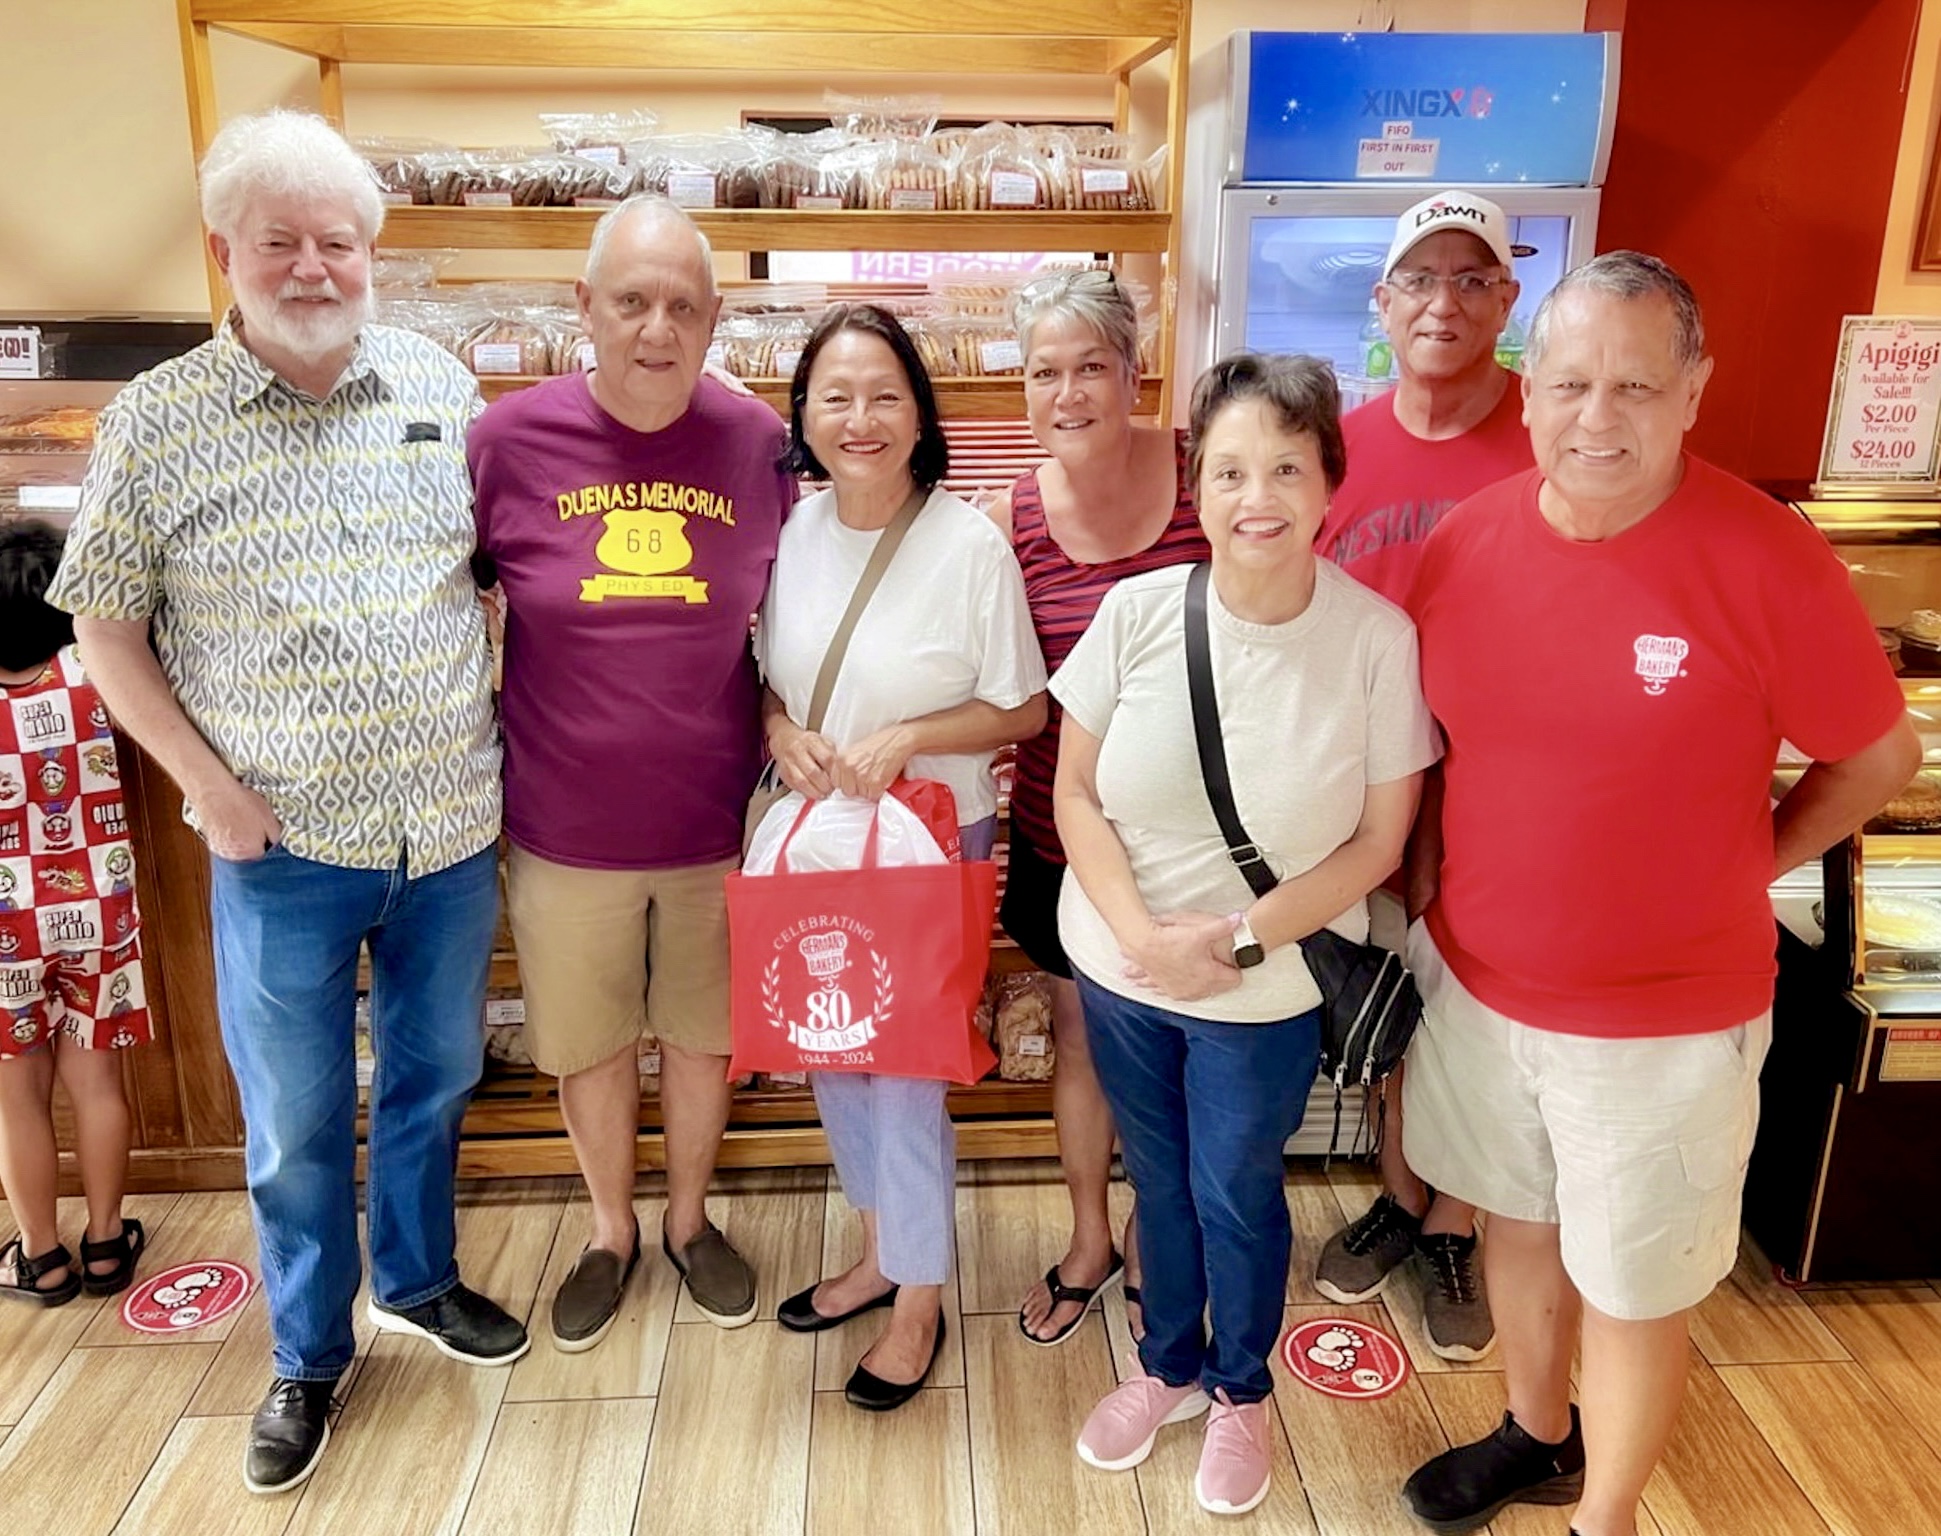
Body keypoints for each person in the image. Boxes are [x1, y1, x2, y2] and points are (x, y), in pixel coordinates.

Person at [1398, 252, 1916, 1536]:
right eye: (1570, 382)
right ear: (1528, 395)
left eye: (1635, 384)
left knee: (1634, 1285)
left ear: (1695, 391)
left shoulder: (1765, 555)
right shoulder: (1467, 543)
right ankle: (1537, 1431)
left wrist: (1765, 854)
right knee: (1516, 1227)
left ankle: (1608, 1518)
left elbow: (1881, 754)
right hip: (1483, 985)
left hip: (1669, 1022)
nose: (1596, 416)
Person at [49, 110, 527, 1496]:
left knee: (435, 1079)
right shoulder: (157, 422)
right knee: (299, 1119)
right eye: (281, 243)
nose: (313, 268)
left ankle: (419, 1283)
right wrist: (205, 787)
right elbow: (103, 629)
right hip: (282, 846)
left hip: (446, 831)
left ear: (371, 251)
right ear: (225, 255)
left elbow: (502, 576)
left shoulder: (440, 384)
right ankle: (308, 1354)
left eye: (337, 241)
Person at [1058, 353, 1438, 1516]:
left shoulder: (1375, 640)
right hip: (1122, 971)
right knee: (1159, 1182)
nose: (1254, 495)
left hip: (1262, 990)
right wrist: (1141, 934)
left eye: (1283, 465)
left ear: (1330, 480)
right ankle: (1168, 1365)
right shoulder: (1134, 613)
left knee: (1235, 1189)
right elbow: (1076, 793)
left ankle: (1241, 1388)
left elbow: (1377, 844)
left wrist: (1232, 941)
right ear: (1197, 483)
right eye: (1227, 469)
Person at [468, 195, 796, 1351]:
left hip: (718, 820)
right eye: (631, 301)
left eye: (681, 306)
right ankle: (611, 1230)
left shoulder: (759, 442)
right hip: (562, 824)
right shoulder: (505, 442)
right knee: (591, 1041)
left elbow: (792, 622)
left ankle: (691, 1221)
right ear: (584, 311)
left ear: (714, 320)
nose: (656, 327)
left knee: (705, 1038)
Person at [760, 303, 1047, 1407]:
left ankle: (921, 1292)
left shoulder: (968, 543)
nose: (860, 417)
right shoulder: (790, 531)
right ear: (804, 416)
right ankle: (881, 1247)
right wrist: (783, 732)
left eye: (884, 394)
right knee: (832, 1043)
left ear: (921, 412)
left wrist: (913, 735)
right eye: (835, 396)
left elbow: (1020, 709)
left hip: (932, 835)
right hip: (818, 830)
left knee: (911, 1061)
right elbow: (772, 680)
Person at [1311, 189, 1532, 1361]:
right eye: (1420, 281)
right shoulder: (1342, 448)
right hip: (1363, 807)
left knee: (1477, 1029)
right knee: (1388, 1015)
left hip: (1503, 807)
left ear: (1508, 298)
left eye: (1471, 280)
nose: (1443, 302)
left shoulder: (1555, 442)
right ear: (1382, 302)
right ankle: (1405, 1202)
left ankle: (1457, 1224)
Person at [989, 268, 1210, 1347]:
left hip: (1202, 842)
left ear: (1133, 371)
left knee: (1179, 1043)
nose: (1068, 393)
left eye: (1090, 367)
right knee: (1082, 1038)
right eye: (1045, 373)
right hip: (1060, 834)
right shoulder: (1013, 515)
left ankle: (1163, 1230)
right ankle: (1090, 1235)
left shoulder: (1209, 475)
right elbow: (1007, 686)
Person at [0, 521, 149, 1307]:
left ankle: (39, 1256)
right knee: (97, 1083)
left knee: (16, 1095)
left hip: (2, 934)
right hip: (97, 907)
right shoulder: (92, 670)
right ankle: (103, 1242)